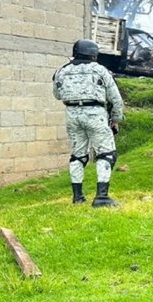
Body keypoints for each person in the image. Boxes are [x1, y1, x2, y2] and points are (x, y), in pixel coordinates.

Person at [53, 39, 124, 207]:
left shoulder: (61, 71)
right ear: (94, 54)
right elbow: (116, 99)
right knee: (106, 154)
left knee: (77, 155)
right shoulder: (100, 70)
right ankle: (102, 197)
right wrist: (115, 119)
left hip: (72, 115)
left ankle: (77, 197)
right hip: (95, 115)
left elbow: (57, 95)